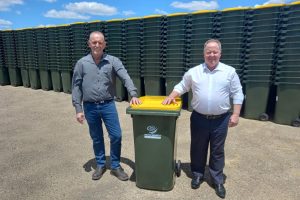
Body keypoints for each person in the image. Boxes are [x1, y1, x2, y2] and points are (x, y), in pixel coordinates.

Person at [162, 39, 244, 198]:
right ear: (204, 54)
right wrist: (170, 97)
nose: (212, 55)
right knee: (198, 148)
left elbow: (237, 93)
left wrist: (235, 114)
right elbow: (182, 86)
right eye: (209, 52)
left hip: (221, 120)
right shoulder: (194, 72)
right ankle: (197, 174)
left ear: (220, 53)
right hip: (199, 118)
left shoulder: (230, 72)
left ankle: (217, 179)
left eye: (215, 52)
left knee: (217, 150)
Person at [72, 31, 141, 181]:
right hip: (89, 107)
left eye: (100, 42)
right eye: (94, 42)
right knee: (96, 138)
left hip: (108, 105)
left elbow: (125, 76)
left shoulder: (113, 61)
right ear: (89, 43)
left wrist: (133, 94)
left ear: (104, 44)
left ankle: (115, 166)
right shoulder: (82, 63)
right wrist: (78, 109)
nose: (97, 45)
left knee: (116, 135)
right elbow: (76, 86)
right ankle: (101, 164)